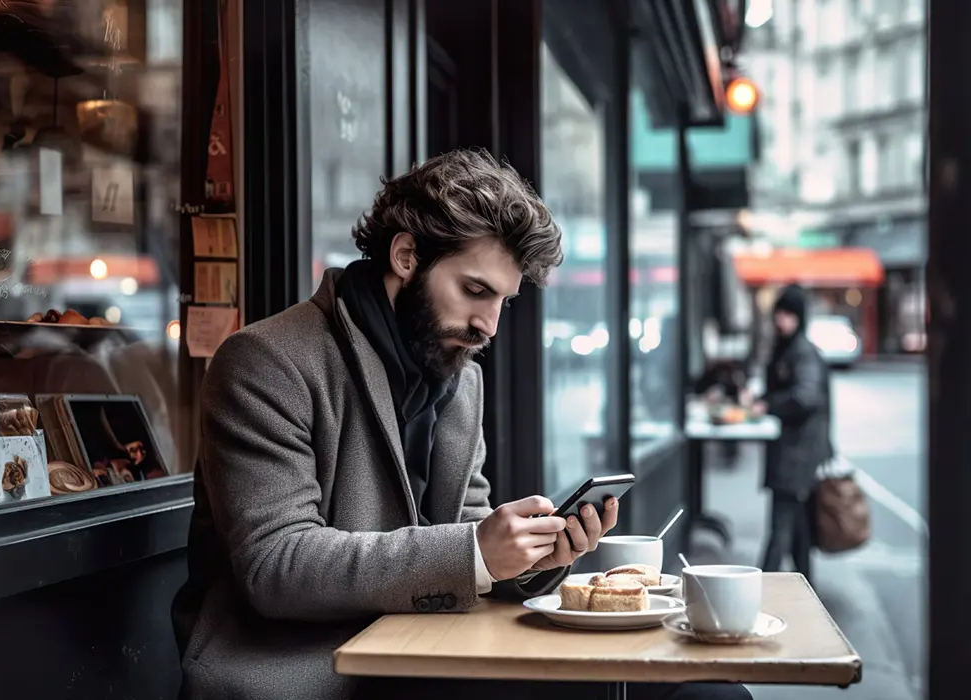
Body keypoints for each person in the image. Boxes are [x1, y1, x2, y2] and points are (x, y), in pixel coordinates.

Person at [171, 149, 751, 700]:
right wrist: (475, 551)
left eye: (503, 300)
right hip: (313, 676)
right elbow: (277, 566)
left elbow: (471, 535)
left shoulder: (459, 375)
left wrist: (531, 562)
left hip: (433, 656)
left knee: (704, 688)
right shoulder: (267, 361)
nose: (489, 326)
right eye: (475, 290)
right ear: (405, 256)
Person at [751, 284, 831, 582]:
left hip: (797, 454)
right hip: (795, 452)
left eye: (786, 314)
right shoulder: (792, 348)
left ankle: (759, 589)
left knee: (782, 529)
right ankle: (807, 590)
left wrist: (767, 404)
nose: (780, 320)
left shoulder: (801, 352)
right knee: (798, 531)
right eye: (778, 313)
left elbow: (806, 397)